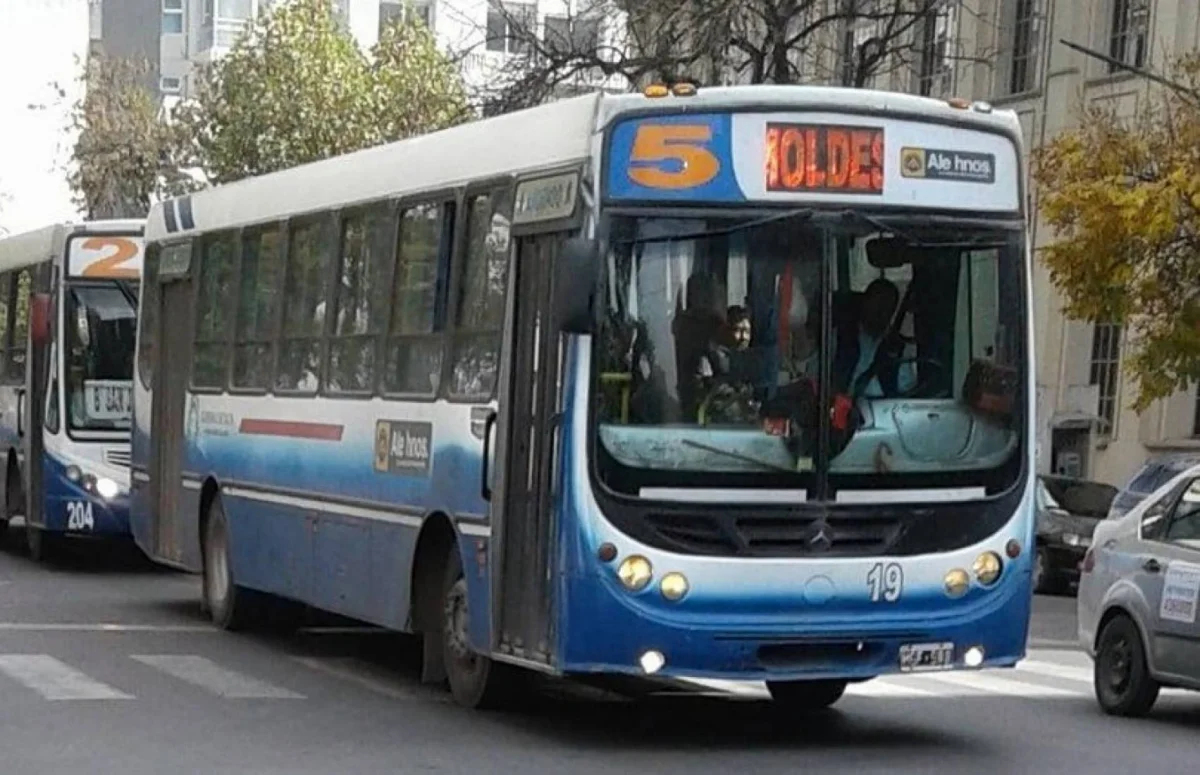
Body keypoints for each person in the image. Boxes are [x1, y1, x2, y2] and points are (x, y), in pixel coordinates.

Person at [835, 277, 916, 398]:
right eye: (876, 303)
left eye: (886, 306)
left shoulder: (898, 349)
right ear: (864, 303)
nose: (880, 311)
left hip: (885, 406)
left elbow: (907, 393)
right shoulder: (838, 338)